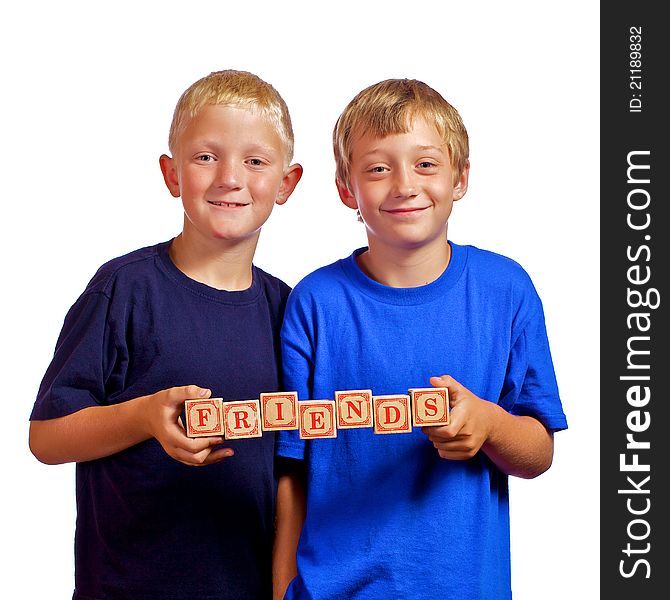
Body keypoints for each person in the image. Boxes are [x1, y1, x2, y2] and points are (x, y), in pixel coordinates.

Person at [273, 79, 568, 600]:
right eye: (378, 168)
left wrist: (490, 422)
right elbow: (291, 470)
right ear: (347, 189)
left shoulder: (507, 290)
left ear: (461, 177)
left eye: (426, 164)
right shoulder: (315, 302)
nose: (404, 184)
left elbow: (539, 452)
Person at [29, 69, 303, 600]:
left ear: (286, 183)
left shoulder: (289, 310)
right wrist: (144, 417)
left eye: (255, 161)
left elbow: (295, 466)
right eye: (206, 157)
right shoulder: (123, 289)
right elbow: (46, 437)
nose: (229, 177)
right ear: (171, 173)